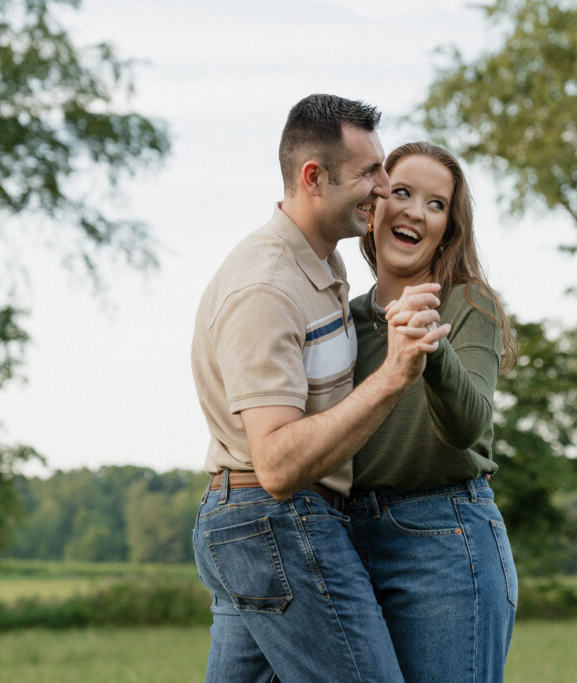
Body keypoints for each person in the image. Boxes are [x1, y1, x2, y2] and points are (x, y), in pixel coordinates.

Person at [189, 96, 450, 682]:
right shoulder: (266, 286)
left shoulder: (321, 265)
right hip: (276, 520)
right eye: (369, 173)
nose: (385, 188)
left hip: (263, 523)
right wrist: (394, 375)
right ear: (314, 178)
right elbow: (278, 463)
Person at [347, 142, 520, 682]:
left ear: (448, 228)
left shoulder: (469, 305)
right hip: (344, 540)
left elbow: (471, 427)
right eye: (401, 193)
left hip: (445, 541)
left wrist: (431, 347)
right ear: (373, 207)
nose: (415, 212)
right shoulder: (341, 321)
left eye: (436, 204)